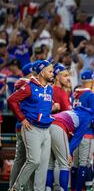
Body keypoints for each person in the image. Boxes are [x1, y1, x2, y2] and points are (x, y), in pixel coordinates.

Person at [8, 60, 54, 191]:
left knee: (43, 165)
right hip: (32, 127)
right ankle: (16, 188)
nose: (52, 73)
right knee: (33, 161)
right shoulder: (29, 86)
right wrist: (22, 118)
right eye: (50, 71)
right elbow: (12, 100)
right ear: (42, 71)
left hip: (46, 129)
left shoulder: (49, 89)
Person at [46, 106, 94, 191]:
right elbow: (76, 138)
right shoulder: (88, 117)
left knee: (50, 164)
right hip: (59, 127)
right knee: (64, 164)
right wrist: (69, 153)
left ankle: (48, 189)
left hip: (48, 124)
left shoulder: (72, 111)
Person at [8, 62, 33, 190]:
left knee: (21, 159)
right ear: (31, 73)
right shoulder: (25, 83)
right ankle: (18, 187)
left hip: (21, 123)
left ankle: (13, 186)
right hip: (25, 124)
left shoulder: (22, 83)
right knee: (29, 160)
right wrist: (23, 118)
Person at [71, 70, 94, 191]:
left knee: (75, 163)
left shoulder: (75, 94)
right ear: (91, 81)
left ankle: (74, 188)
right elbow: (93, 118)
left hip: (75, 134)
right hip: (87, 134)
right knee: (84, 163)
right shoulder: (91, 96)